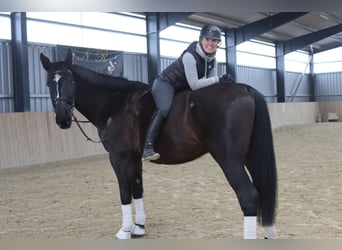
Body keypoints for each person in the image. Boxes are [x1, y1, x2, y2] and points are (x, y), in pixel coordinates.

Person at [142, 24, 233, 161]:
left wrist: (223, 84)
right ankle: (147, 146)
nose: (211, 43)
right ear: (201, 40)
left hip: (183, 87)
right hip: (166, 83)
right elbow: (195, 84)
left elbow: (210, 85)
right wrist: (219, 79)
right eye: (207, 39)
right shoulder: (190, 56)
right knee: (164, 109)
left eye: (214, 41)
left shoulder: (212, 60)